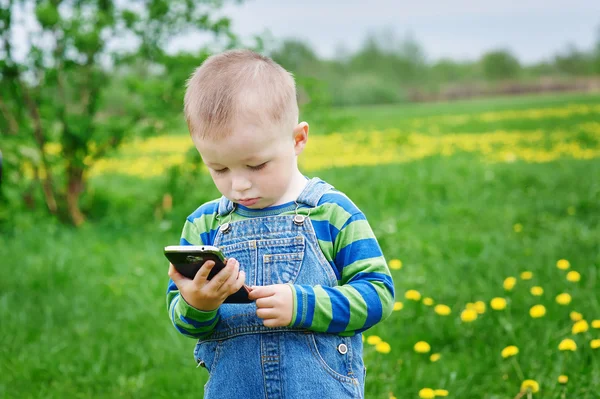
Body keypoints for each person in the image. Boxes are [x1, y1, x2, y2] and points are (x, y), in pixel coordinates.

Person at [166, 49, 395, 399]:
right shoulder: (204, 225)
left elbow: (378, 294)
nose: (239, 184)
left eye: (256, 165)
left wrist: (302, 305)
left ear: (297, 139)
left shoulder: (332, 212)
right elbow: (184, 321)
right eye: (220, 169)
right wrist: (199, 304)